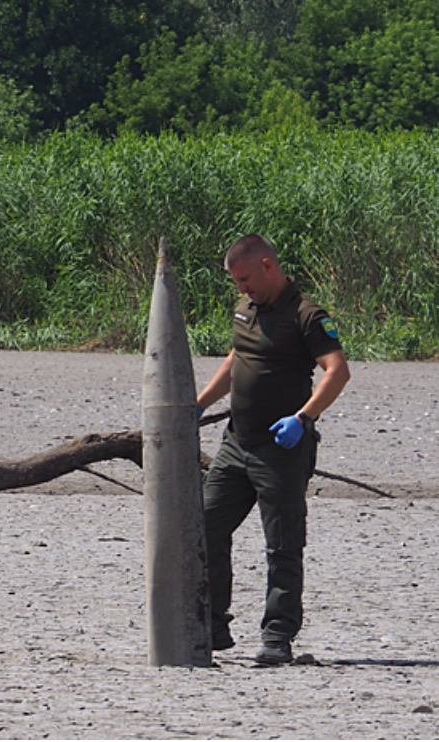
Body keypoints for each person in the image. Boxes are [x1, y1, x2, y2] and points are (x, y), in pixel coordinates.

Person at [195, 233, 350, 665]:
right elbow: (234, 359)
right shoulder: (246, 309)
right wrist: (199, 404)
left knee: (282, 544)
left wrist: (304, 418)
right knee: (205, 527)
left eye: (245, 278)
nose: (241, 288)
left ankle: (278, 636)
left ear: (267, 265)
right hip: (235, 446)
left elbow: (337, 371)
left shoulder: (307, 316)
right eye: (235, 282)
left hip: (280, 450)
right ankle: (213, 625)